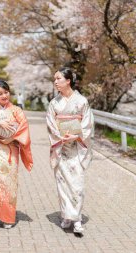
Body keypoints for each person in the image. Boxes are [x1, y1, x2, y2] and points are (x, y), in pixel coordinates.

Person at [0, 80, 33, 229]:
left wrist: (12, 137)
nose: (4, 96)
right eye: (0, 93)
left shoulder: (16, 110)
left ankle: (8, 217)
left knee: (9, 183)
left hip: (11, 150)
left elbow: (24, 127)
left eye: (6, 92)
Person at [46, 67, 93, 235]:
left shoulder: (82, 101)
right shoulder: (54, 103)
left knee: (77, 184)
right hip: (60, 147)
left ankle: (77, 219)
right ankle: (66, 216)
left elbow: (87, 125)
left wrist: (76, 137)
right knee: (62, 184)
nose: (55, 82)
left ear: (68, 80)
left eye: (58, 78)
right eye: (55, 79)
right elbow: (51, 124)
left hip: (76, 147)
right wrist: (60, 137)